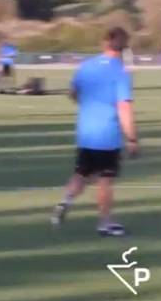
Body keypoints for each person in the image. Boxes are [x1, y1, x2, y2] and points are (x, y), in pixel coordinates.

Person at [51, 27, 139, 237]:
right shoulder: (120, 73)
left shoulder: (86, 66)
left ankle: (65, 202)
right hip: (107, 135)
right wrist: (132, 139)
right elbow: (124, 108)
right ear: (125, 47)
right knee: (105, 180)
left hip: (86, 132)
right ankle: (105, 223)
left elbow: (73, 93)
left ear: (105, 42)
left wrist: (88, 104)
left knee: (82, 172)